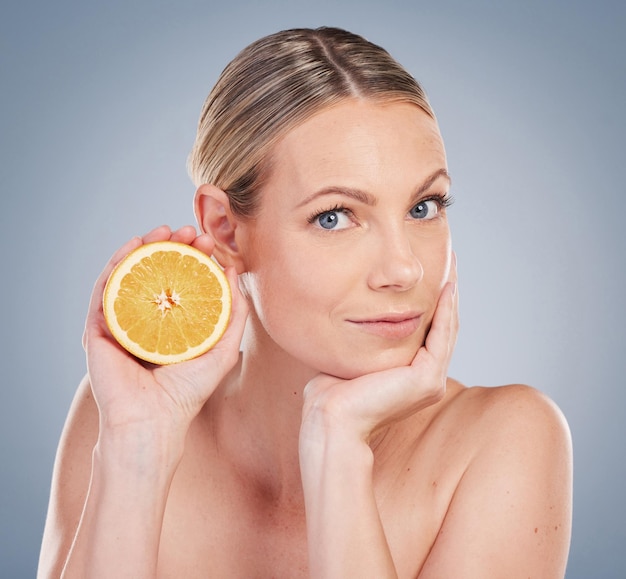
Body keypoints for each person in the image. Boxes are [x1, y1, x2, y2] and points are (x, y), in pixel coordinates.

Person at [38, 26, 572, 578]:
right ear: (226, 231)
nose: (403, 269)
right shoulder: (127, 411)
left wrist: (338, 451)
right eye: (334, 216)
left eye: (424, 207)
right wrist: (135, 450)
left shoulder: (505, 441)